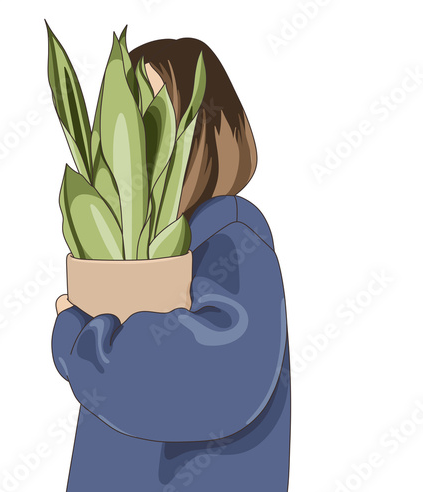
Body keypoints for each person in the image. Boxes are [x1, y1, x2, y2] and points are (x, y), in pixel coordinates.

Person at [52, 35, 290, 491]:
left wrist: (79, 337)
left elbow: (213, 383)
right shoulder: (148, 249)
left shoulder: (231, 239)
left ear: (203, 133)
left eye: (154, 121)